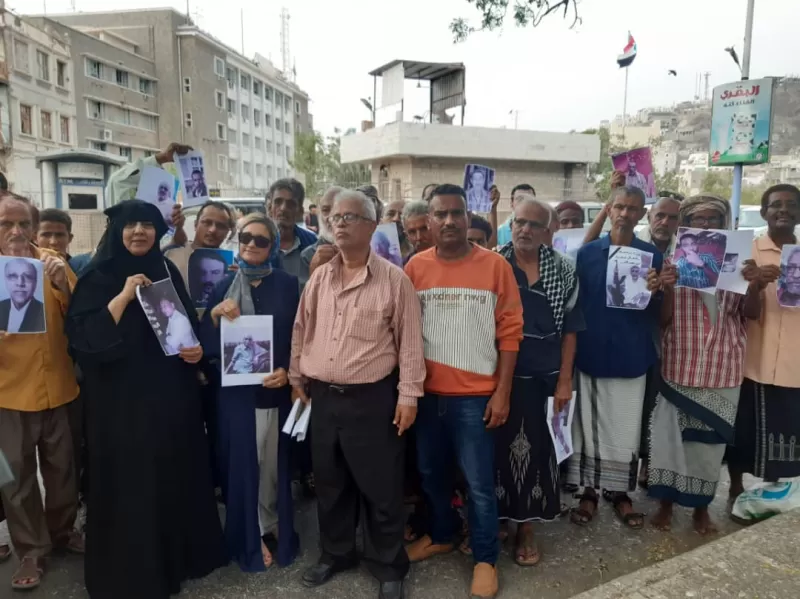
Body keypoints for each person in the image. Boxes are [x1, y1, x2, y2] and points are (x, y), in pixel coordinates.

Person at [65, 200, 226, 599]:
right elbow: (83, 340)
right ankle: (135, 570)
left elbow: (185, 328)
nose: (139, 231)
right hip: (119, 405)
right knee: (131, 482)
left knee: (171, 473)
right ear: (117, 230)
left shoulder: (166, 269)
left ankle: (177, 559)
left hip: (170, 397)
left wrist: (194, 350)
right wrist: (123, 296)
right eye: (131, 224)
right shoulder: (97, 277)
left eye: (148, 225)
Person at [290, 189, 424, 599]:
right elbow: (302, 329)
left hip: (372, 399)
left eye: (350, 217)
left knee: (380, 486)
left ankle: (388, 566)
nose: (340, 224)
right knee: (330, 484)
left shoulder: (394, 280)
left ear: (371, 225)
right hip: (324, 398)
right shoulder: (320, 278)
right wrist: (296, 377)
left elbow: (410, 344)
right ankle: (337, 553)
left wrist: (408, 396)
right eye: (336, 217)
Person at [405, 184, 523, 599]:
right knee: (431, 474)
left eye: (457, 213)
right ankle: (442, 535)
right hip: (427, 396)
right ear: (429, 221)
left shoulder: (495, 266)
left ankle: (486, 559)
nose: (450, 221)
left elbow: (511, 333)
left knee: (478, 484)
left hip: (475, 398)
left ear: (469, 217)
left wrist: (502, 392)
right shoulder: (415, 268)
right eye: (441, 214)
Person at [648, 194, 761, 535]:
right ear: (686, 224)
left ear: (724, 223)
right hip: (679, 362)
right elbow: (662, 322)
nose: (707, 224)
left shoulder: (739, 263)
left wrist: (755, 285)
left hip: (722, 365)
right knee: (671, 439)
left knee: (710, 446)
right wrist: (667, 289)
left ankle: (701, 508)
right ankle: (666, 503)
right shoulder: (671, 261)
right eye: (699, 219)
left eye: (713, 219)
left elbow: (750, 314)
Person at [200, 212, 300, 571]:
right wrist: (214, 316)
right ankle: (250, 531)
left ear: (272, 246)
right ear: (237, 242)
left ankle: (271, 520)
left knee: (273, 463)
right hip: (239, 396)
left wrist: (288, 371)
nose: (252, 245)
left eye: (261, 240)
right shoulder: (223, 285)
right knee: (246, 463)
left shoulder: (288, 284)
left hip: (277, 389)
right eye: (245, 238)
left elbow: (299, 333)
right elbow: (205, 346)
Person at [567, 186, 668, 530]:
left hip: (631, 354)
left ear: (642, 214)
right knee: (588, 427)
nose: (625, 214)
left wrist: (656, 290)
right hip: (591, 351)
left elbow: (655, 312)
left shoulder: (651, 256)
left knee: (625, 429)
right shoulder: (588, 254)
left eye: (632, 209)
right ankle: (589, 492)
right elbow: (576, 303)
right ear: (610, 210)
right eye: (620, 207)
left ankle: (620, 492)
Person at [0, 191, 82, 591]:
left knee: (63, 471)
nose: (16, 231)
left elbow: (81, 319)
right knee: (16, 480)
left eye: (24, 223)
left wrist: (62, 286)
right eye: (6, 224)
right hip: (8, 394)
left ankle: (63, 532)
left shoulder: (54, 263)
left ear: (34, 227)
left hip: (58, 387)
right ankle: (32, 549)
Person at [495, 197, 583, 566]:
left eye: (534, 225)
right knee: (498, 452)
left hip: (546, 379)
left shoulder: (563, 269)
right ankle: (498, 519)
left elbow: (571, 330)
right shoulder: (494, 264)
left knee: (539, 453)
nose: (525, 230)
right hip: (500, 379)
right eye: (519, 222)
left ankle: (527, 526)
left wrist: (564, 380)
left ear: (549, 231)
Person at [728, 184, 800, 496]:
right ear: (763, 212)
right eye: (776, 204)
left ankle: (778, 491)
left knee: (789, 432)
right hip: (753, 361)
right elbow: (746, 312)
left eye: (791, 204)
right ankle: (735, 487)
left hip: (793, 363)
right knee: (744, 430)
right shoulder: (750, 252)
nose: (783, 210)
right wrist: (755, 286)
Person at [267, 178, 317, 287]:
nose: (283, 208)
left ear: (300, 211)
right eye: (278, 202)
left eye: (291, 204)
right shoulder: (254, 242)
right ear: (270, 208)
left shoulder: (313, 245)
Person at [303, 186, 342, 278]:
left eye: (338, 208)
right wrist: (314, 270)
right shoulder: (308, 255)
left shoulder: (365, 250)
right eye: (325, 210)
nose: (331, 217)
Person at [0, 258, 45, 333]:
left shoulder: (44, 312)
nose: (20, 283)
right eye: (13, 276)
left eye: (27, 277)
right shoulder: (1, 306)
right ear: (5, 280)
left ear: (35, 282)